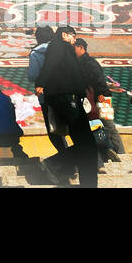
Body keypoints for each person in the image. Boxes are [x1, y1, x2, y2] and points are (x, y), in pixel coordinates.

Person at [36, 26, 97, 188]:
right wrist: (41, 82)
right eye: (73, 36)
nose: (74, 39)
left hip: (70, 96)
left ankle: (57, 164)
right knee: (87, 143)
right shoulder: (58, 46)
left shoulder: (63, 48)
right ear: (64, 35)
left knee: (87, 144)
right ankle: (56, 164)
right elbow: (50, 64)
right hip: (66, 97)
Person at [74, 38, 124, 160]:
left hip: (102, 97)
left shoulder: (89, 63)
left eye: (74, 48)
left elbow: (99, 80)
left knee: (108, 125)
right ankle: (109, 151)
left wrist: (100, 94)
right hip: (92, 99)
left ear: (81, 47)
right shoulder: (80, 63)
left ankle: (121, 153)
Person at [26, 25, 66, 155]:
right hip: (66, 93)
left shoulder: (36, 53)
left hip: (46, 96)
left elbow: (32, 76)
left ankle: (66, 157)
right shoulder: (63, 49)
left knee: (53, 128)